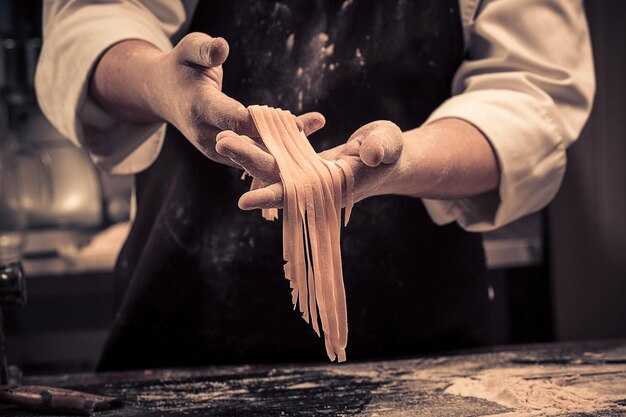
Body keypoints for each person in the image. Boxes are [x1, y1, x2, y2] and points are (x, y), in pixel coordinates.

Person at [35, 0, 594, 370]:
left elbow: (529, 92)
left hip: (418, 346)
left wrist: (399, 163)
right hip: (179, 333)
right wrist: (162, 84)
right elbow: (91, 19)